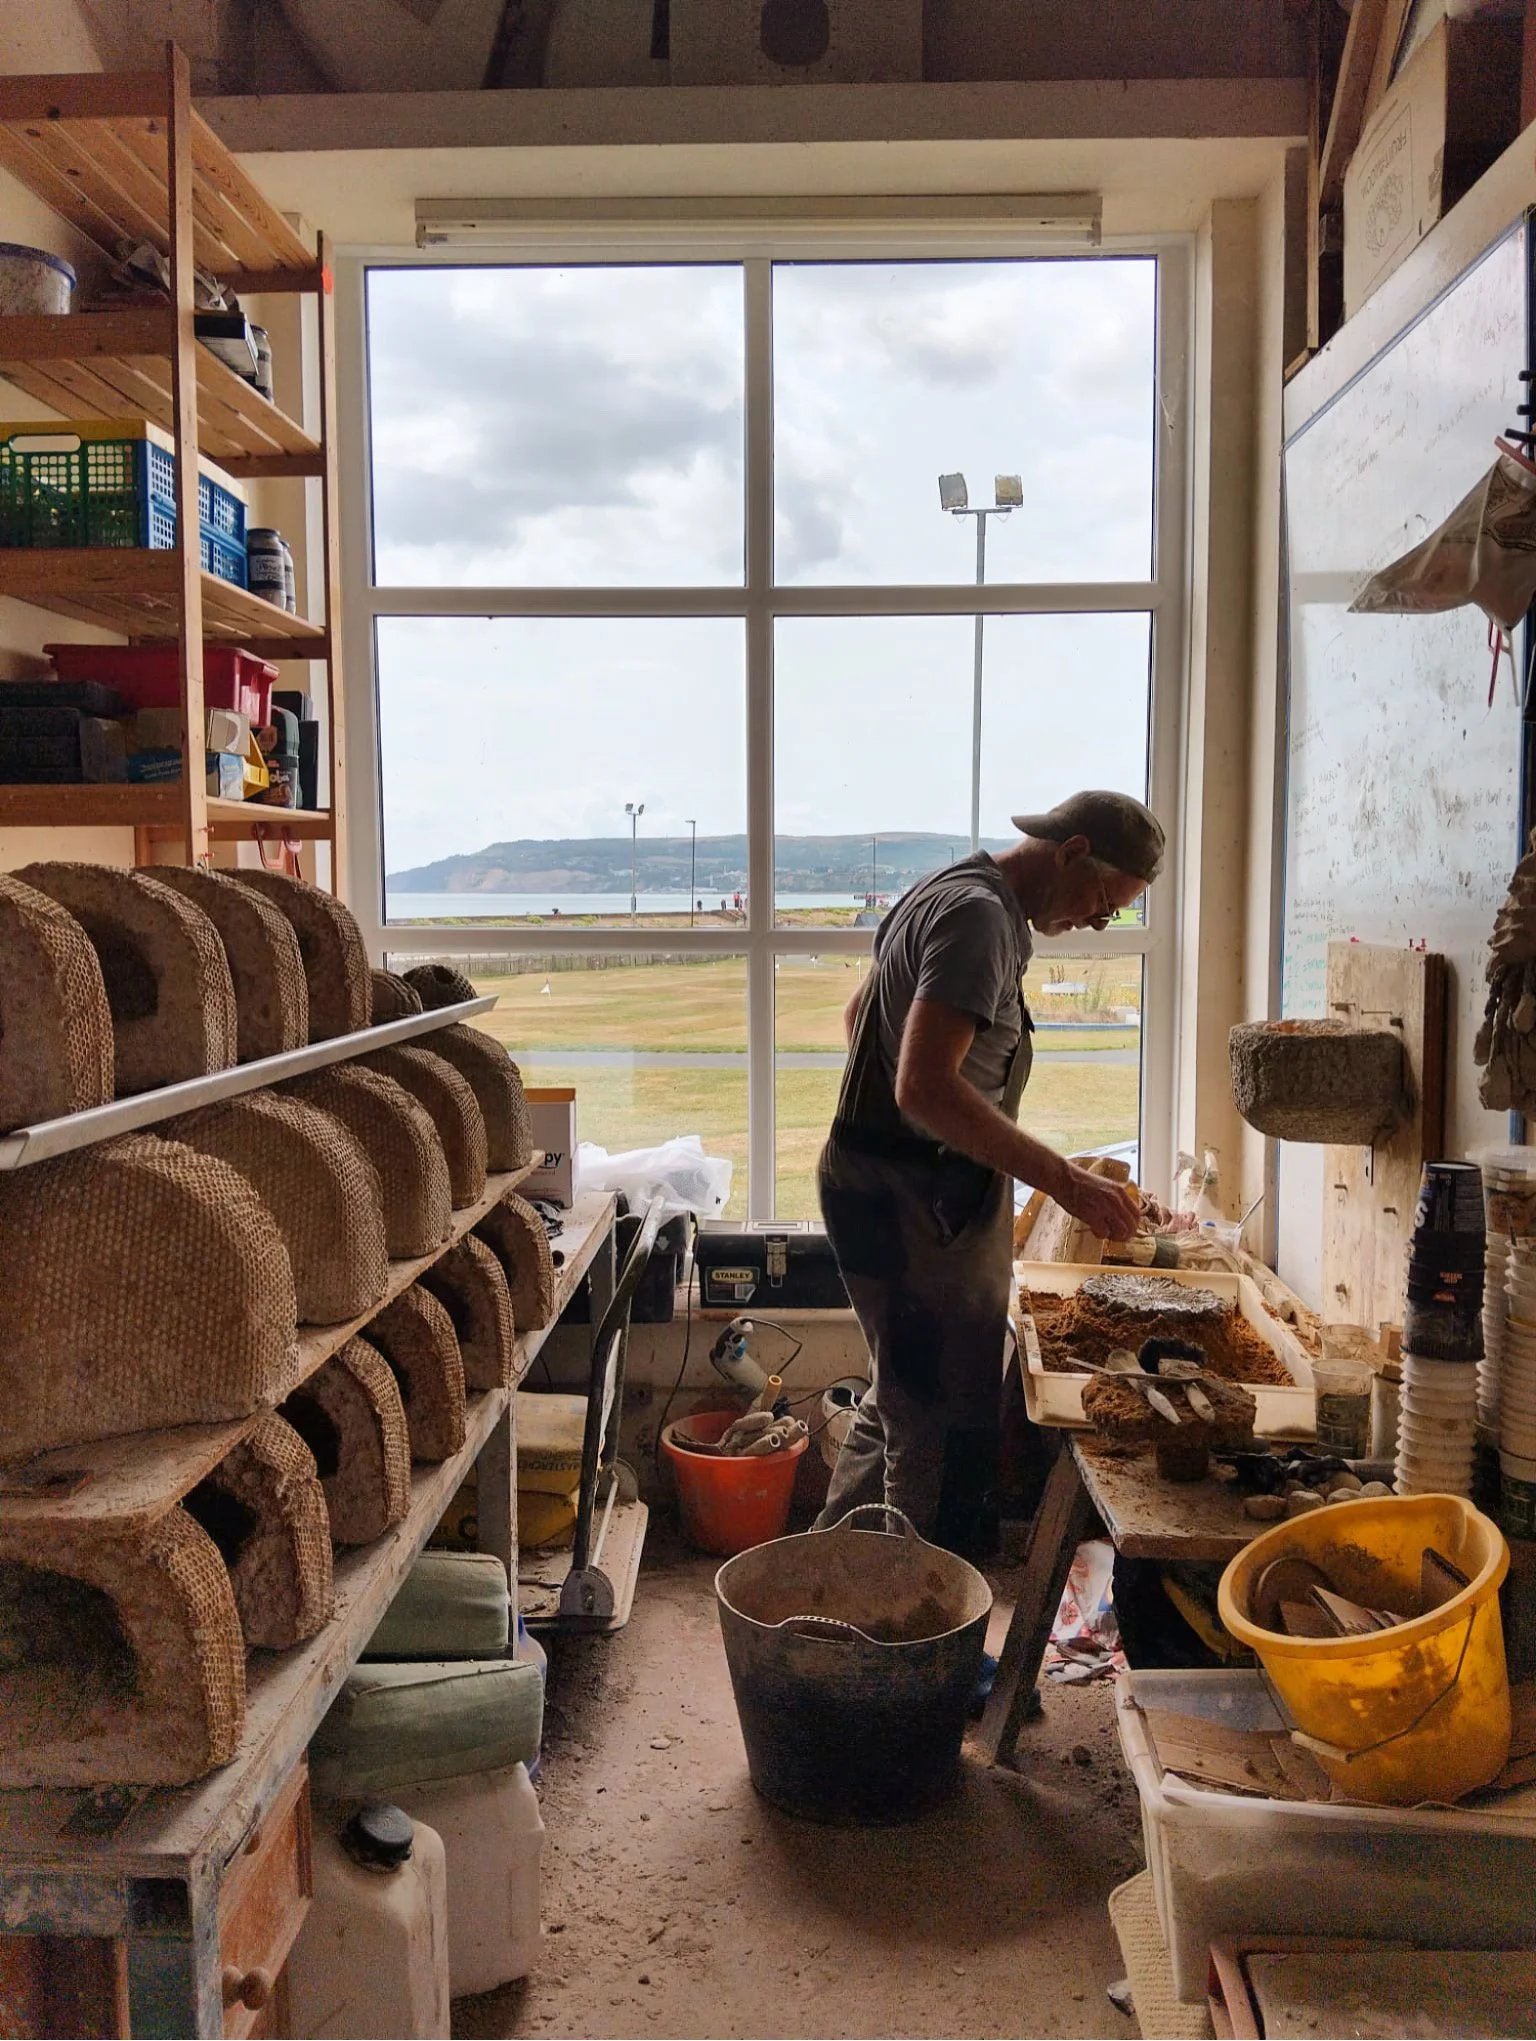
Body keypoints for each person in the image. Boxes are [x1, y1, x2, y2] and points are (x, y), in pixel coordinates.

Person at [816, 790, 1164, 1561]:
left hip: (900, 1181)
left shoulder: (954, 890)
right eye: (1105, 902)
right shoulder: (978, 919)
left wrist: (920, 1141)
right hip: (909, 1199)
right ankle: (908, 1611)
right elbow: (922, 1086)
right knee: (932, 1430)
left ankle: (822, 1577)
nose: (1100, 923)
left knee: (903, 1395)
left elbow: (860, 1018)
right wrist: (1067, 1183)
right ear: (1072, 852)